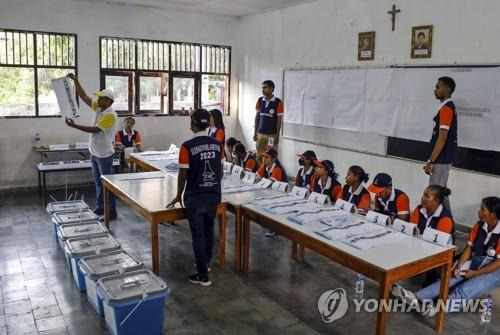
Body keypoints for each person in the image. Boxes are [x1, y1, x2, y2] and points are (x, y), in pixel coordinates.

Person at [392, 196, 500, 316]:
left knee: (467, 288)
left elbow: (497, 264)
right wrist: (459, 265)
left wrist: (475, 274)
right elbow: (469, 248)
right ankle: (416, 297)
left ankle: (436, 309)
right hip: (477, 262)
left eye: (483, 209)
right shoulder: (479, 225)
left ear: (493, 214)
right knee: (450, 276)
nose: (479, 212)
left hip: (495, 270)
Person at [167, 109, 223, 287]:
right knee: (208, 230)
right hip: (213, 194)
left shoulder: (187, 146)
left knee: (198, 234)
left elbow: (183, 175)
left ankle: (202, 275)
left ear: (192, 124)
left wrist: (178, 195)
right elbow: (220, 171)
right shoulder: (217, 144)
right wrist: (212, 185)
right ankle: (205, 263)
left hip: (195, 196)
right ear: (208, 124)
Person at [65, 73, 118, 221]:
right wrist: (76, 80)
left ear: (108, 101)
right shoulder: (99, 109)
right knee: (98, 183)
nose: (98, 100)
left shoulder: (110, 115)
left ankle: (111, 211)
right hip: (95, 152)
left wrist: (75, 126)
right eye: (99, 98)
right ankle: (101, 207)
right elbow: (83, 96)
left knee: (106, 184)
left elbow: (95, 130)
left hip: (104, 155)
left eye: (101, 98)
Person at [410, 185, 456, 286]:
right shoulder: (419, 209)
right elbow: (411, 230)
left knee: (430, 277)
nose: (422, 198)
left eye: (427, 196)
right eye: (423, 194)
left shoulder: (445, 218)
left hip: (439, 251)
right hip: (421, 244)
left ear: (436, 201)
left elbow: (438, 244)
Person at [423, 77, 457, 210]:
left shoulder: (446, 109)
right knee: (440, 191)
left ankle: (446, 224)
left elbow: (442, 137)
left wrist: (431, 161)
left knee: (436, 192)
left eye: (438, 87)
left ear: (447, 89)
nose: (435, 90)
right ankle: (447, 224)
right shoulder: (444, 107)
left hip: (441, 158)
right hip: (442, 157)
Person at [256, 148, 287, 238]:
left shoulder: (277, 169)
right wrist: (263, 180)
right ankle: (267, 222)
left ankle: (274, 228)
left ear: (273, 159)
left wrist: (262, 180)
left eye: (267, 157)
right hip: (271, 191)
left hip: (281, 195)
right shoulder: (265, 166)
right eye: (264, 157)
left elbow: (270, 183)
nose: (264, 159)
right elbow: (257, 176)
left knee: (272, 206)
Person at [253, 80, 284, 163]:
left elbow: (279, 120)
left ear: (271, 88)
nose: (263, 90)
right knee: (259, 156)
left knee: (271, 156)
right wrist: (255, 132)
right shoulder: (260, 100)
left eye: (265, 88)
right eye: (262, 88)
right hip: (260, 134)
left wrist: (277, 135)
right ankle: (260, 174)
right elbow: (257, 117)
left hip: (271, 135)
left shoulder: (278, 102)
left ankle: (270, 174)